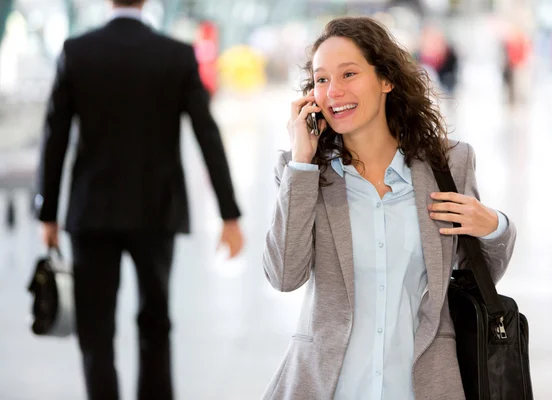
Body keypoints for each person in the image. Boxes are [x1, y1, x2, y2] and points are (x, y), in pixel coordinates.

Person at [262, 17, 516, 400]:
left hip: (423, 386)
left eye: (349, 73)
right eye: (321, 79)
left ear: (386, 80)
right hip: (328, 387)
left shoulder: (449, 165)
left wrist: (494, 227)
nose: (334, 91)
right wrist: (301, 162)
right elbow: (283, 275)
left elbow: (478, 274)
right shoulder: (303, 173)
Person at [35, 1, 244, 399]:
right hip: (157, 210)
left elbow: (54, 136)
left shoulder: (77, 52)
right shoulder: (176, 55)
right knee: (156, 322)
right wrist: (228, 214)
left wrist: (47, 213)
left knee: (96, 331)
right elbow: (207, 134)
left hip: (91, 212)